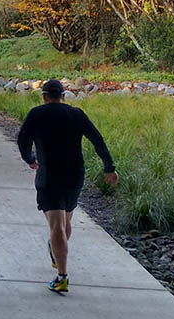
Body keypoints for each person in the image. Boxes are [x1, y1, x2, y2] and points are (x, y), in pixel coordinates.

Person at [16, 79, 119, 294]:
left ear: (44, 96)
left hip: (49, 175)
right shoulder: (76, 114)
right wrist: (109, 167)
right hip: (74, 175)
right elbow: (97, 139)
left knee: (57, 225)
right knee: (65, 220)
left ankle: (62, 277)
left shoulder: (36, 114)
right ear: (63, 96)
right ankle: (56, 250)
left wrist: (30, 159)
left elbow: (23, 140)